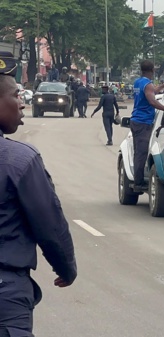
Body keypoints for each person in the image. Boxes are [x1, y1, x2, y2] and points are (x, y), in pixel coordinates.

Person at [0, 51, 77, 337]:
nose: (22, 104)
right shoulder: (19, 160)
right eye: (16, 95)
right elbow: (50, 225)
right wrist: (66, 267)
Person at [130, 60, 164, 191]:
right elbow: (152, 101)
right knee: (141, 153)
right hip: (143, 122)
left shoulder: (138, 82)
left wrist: (162, 86)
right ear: (152, 70)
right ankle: (138, 184)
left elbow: (150, 92)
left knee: (138, 153)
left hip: (136, 120)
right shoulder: (148, 85)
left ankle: (137, 180)